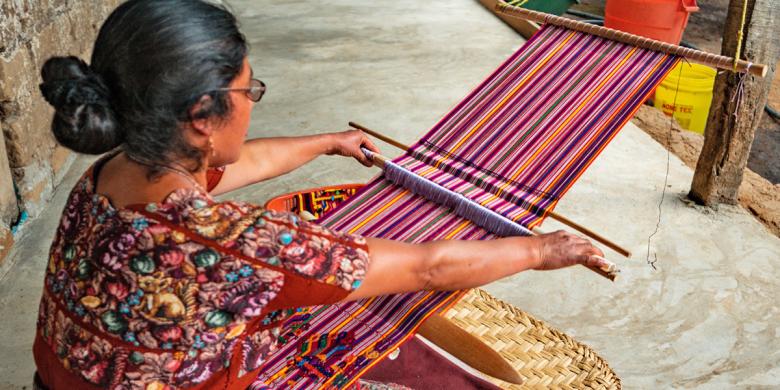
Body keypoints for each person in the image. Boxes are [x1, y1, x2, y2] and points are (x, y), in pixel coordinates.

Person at [33, 0, 607, 388]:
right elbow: (429, 268)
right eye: (248, 89)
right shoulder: (233, 245)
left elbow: (245, 162)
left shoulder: (114, 172)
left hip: (66, 376)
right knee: (348, 303)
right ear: (203, 116)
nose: (253, 102)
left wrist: (329, 142)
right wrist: (540, 251)